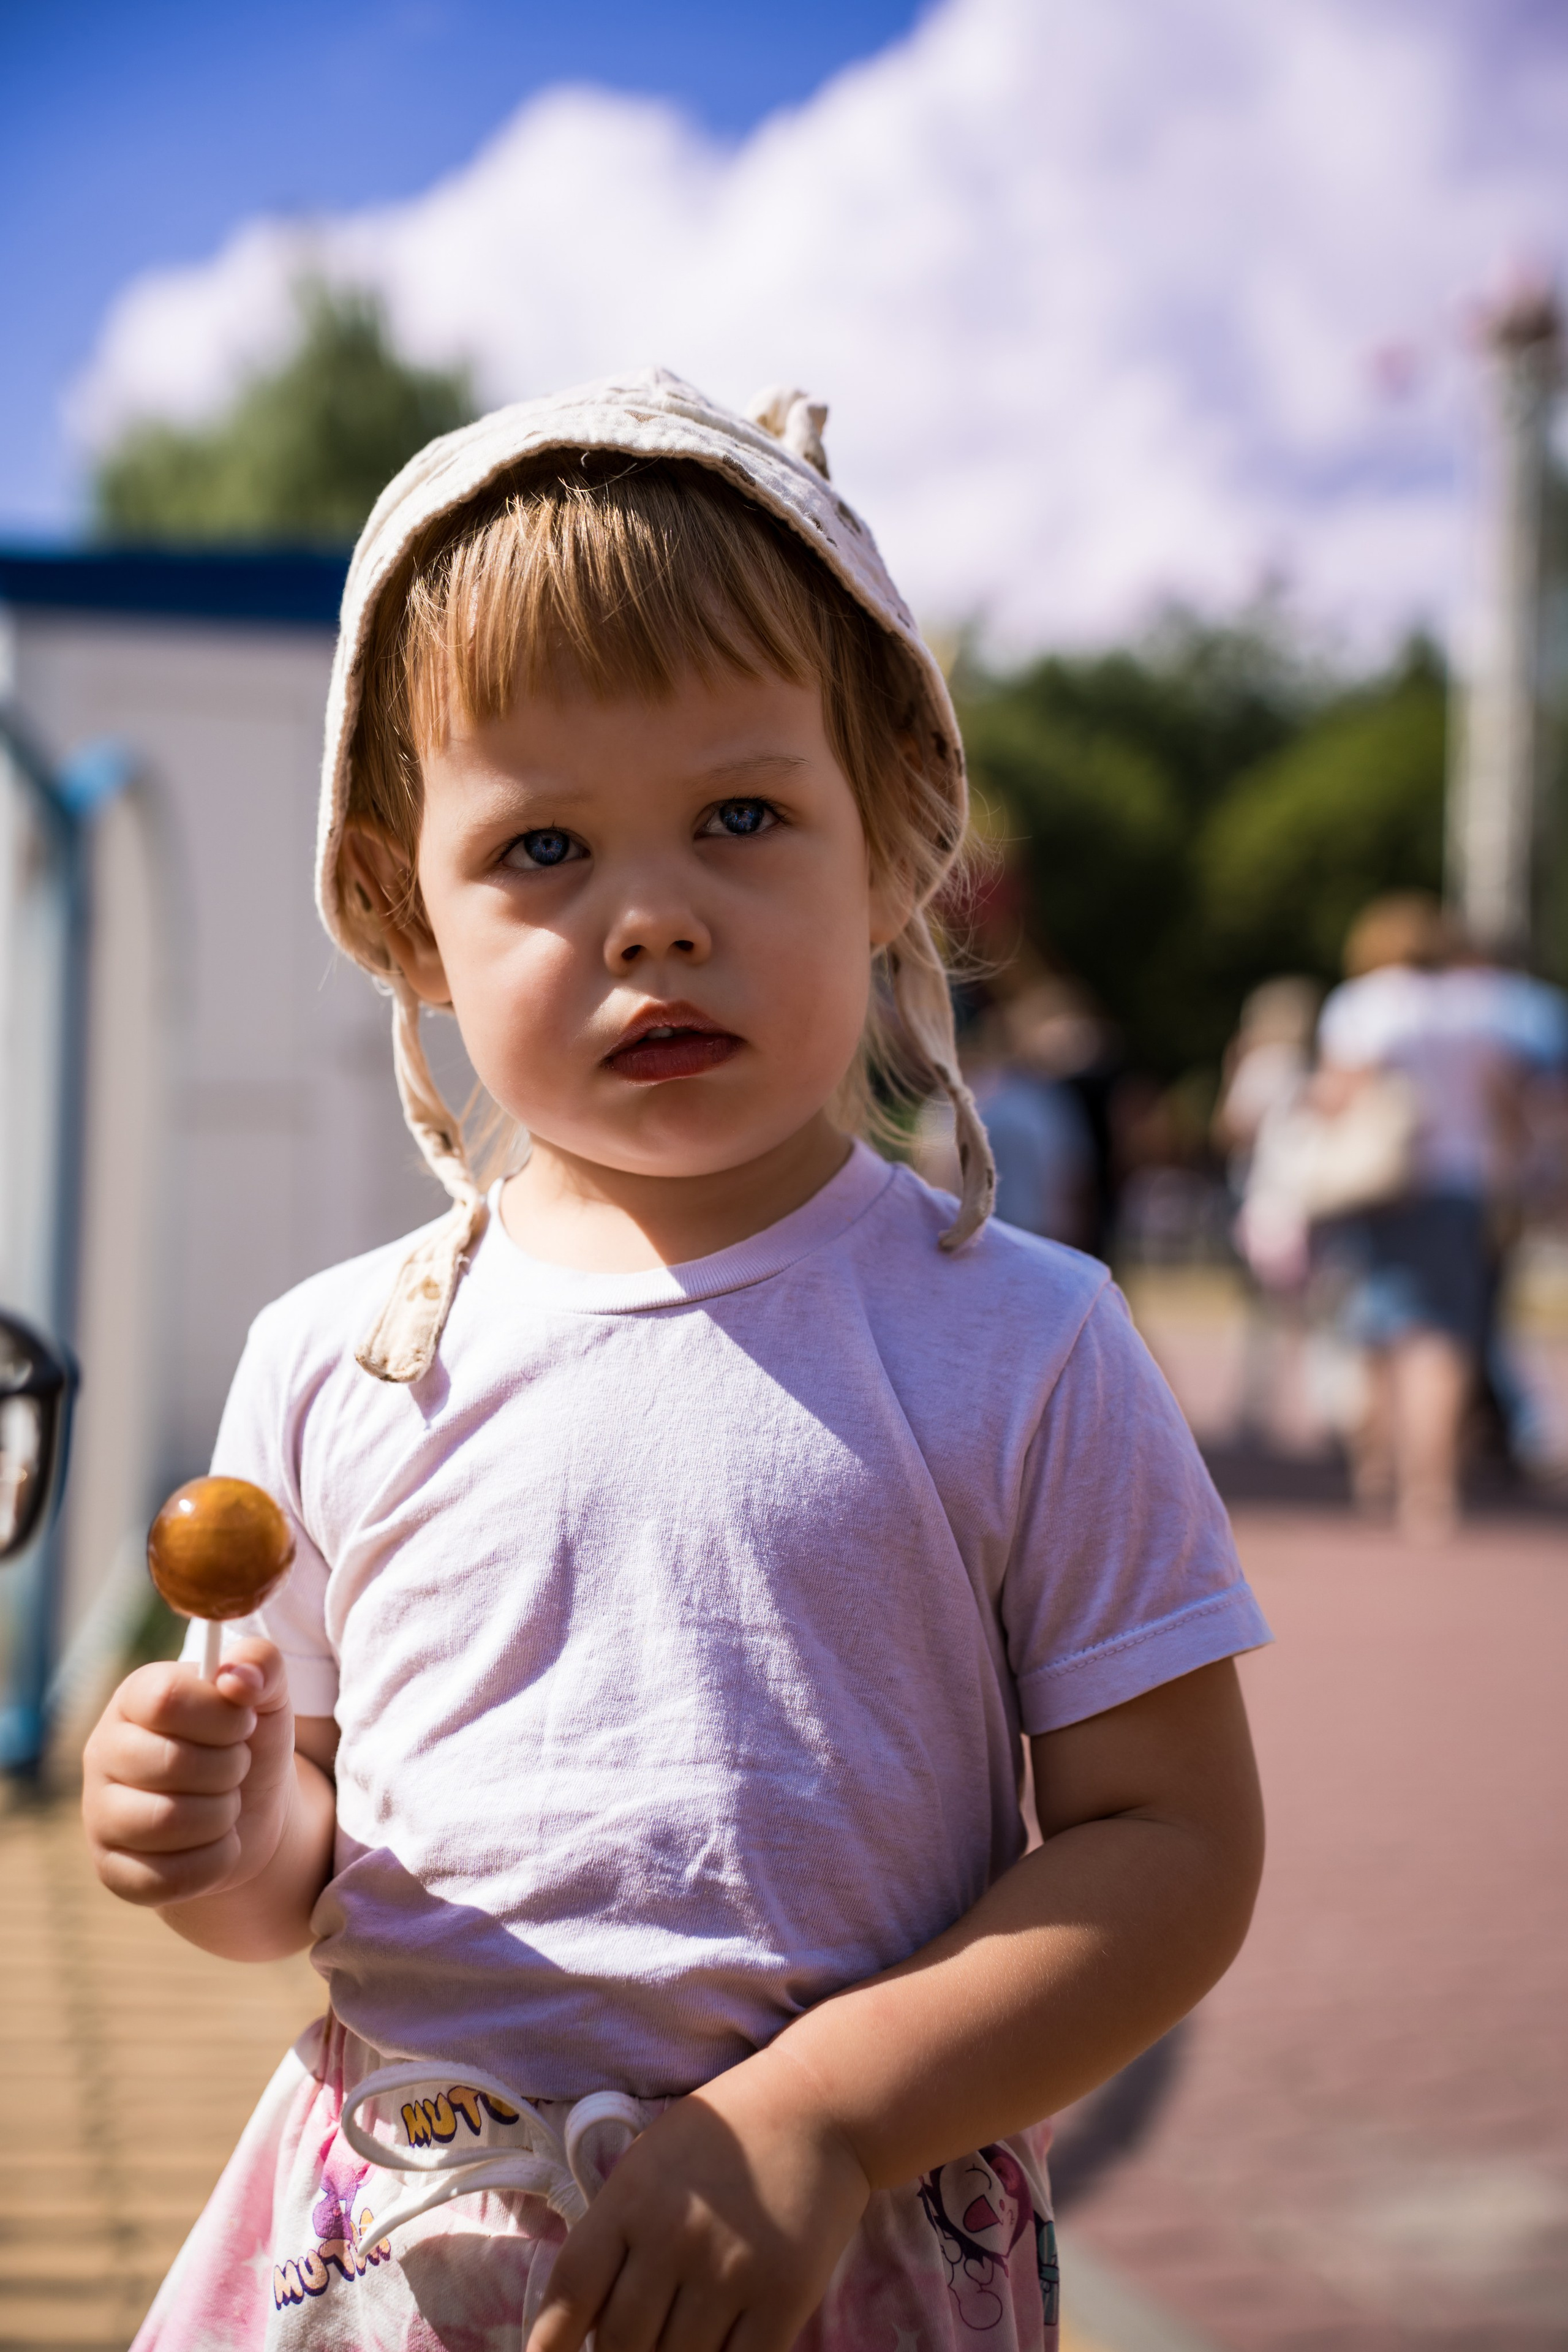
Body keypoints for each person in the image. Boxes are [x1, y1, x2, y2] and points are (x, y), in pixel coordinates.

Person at [81, 372, 1268, 2352]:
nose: (651, 918)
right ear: (408, 916)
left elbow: (1178, 1855)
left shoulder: (1025, 1341)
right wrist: (203, 1831)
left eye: (742, 816)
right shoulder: (345, 1361)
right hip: (398, 2254)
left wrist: (823, 2108)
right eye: (542, 849)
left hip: (839, 2244)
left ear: (893, 847)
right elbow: (292, 1882)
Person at [1316, 892, 1526, 1540]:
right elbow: (1505, 1103)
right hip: (1460, 1182)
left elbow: (1336, 1093)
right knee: (1441, 1333)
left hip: (1378, 1181)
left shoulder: (1363, 1003)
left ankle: (1375, 1465)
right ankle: (1428, 1486)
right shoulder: (1478, 1008)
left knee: (1373, 1324)